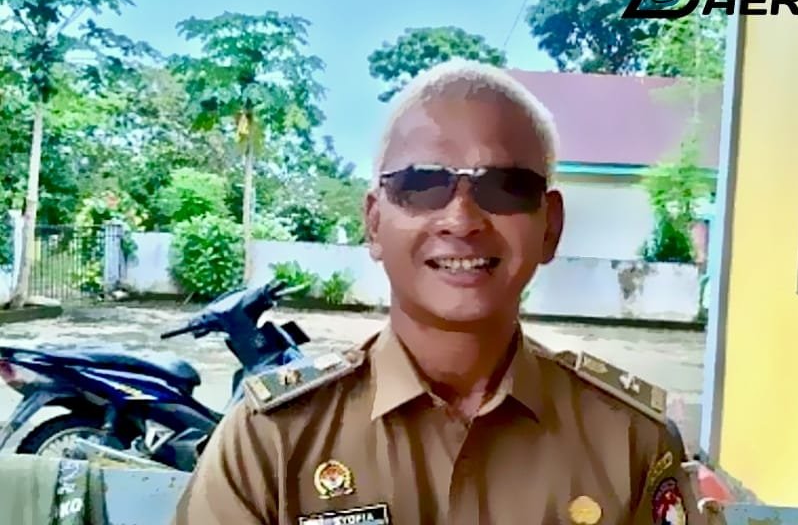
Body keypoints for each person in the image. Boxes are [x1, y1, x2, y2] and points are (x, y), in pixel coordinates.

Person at [171, 59, 707, 525]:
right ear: (374, 223)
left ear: (550, 227)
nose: (461, 218)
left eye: (504, 187)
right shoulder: (272, 441)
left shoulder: (631, 443)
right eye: (421, 184)